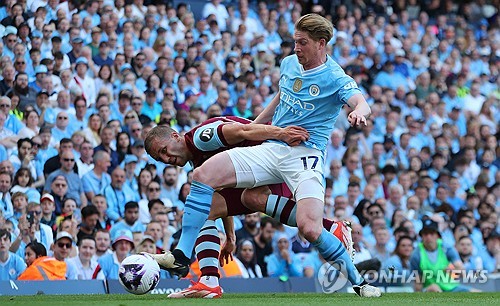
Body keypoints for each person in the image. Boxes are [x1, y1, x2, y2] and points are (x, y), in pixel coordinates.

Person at [148, 14, 379, 298]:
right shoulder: (289, 64)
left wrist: (358, 113)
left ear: (321, 44)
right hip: (272, 145)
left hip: (305, 155)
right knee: (203, 175)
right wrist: (258, 128)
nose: (296, 48)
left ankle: (358, 282)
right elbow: (280, 98)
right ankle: (183, 255)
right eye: (295, 42)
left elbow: (360, 101)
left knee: (309, 229)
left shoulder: (335, 77)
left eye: (302, 43)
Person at [145, 116, 354, 296]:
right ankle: (208, 282)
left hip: (279, 158)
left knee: (252, 198)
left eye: (164, 150)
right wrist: (231, 236)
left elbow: (245, 129)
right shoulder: (198, 161)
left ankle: (330, 228)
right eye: (160, 158)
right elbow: (218, 192)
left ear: (175, 136)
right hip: (261, 165)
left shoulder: (202, 137)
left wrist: (282, 134)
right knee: (204, 209)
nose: (166, 159)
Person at [409, 219, 475, 292]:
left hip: (451, 287)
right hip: (430, 290)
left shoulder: (447, 248)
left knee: (477, 293)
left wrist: (453, 271)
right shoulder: (416, 255)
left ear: (437, 236)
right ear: (422, 236)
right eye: (425, 234)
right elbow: (418, 285)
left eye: (431, 234)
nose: (428, 237)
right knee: (434, 289)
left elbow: (460, 269)